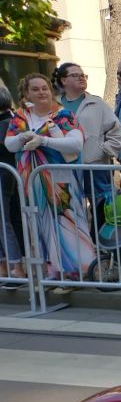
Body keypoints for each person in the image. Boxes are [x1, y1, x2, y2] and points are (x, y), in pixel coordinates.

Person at [4, 74, 95, 279]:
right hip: (31, 183)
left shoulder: (63, 115)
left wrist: (43, 141)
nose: (41, 92)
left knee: (66, 223)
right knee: (38, 225)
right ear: (26, 93)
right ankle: (52, 272)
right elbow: (9, 144)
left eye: (44, 88)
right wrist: (22, 137)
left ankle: (77, 271)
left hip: (60, 182)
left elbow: (75, 143)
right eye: (35, 89)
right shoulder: (21, 116)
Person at [51, 62, 121, 230]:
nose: (81, 78)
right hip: (63, 167)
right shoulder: (54, 106)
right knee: (68, 207)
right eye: (75, 75)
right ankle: (76, 246)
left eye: (83, 75)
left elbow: (116, 132)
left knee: (101, 206)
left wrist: (102, 150)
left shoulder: (96, 103)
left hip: (94, 166)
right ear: (63, 80)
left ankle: (100, 245)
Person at [0, 86, 26, 282]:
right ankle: (8, 265)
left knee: (4, 221)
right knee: (10, 219)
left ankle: (16, 266)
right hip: (10, 176)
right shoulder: (11, 120)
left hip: (5, 176)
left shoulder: (7, 122)